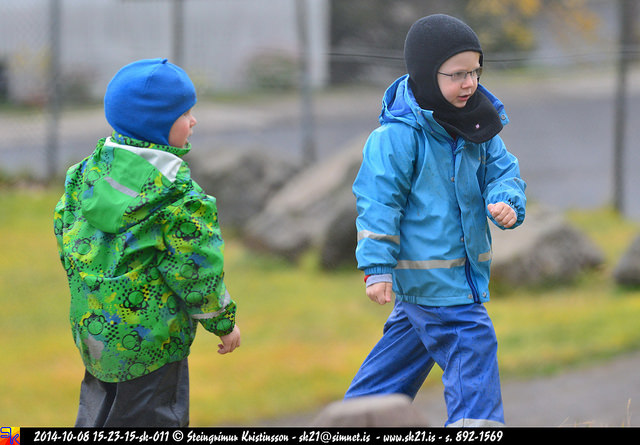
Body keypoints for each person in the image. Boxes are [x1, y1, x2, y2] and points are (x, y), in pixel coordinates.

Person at [345, 14, 526, 427]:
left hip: (447, 283)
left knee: (390, 373)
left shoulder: (478, 123)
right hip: (439, 285)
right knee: (472, 345)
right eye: (457, 75)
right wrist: (377, 267)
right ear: (427, 76)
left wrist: (505, 200)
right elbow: (377, 204)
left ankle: (351, 421)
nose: (470, 84)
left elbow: (504, 171)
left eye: (476, 72)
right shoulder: (397, 137)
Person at [53, 58, 240, 427]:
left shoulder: (84, 176)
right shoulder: (178, 198)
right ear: (158, 124)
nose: (194, 121)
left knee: (97, 417)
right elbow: (195, 270)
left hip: (95, 334)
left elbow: (65, 233)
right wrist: (223, 321)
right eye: (186, 113)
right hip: (151, 345)